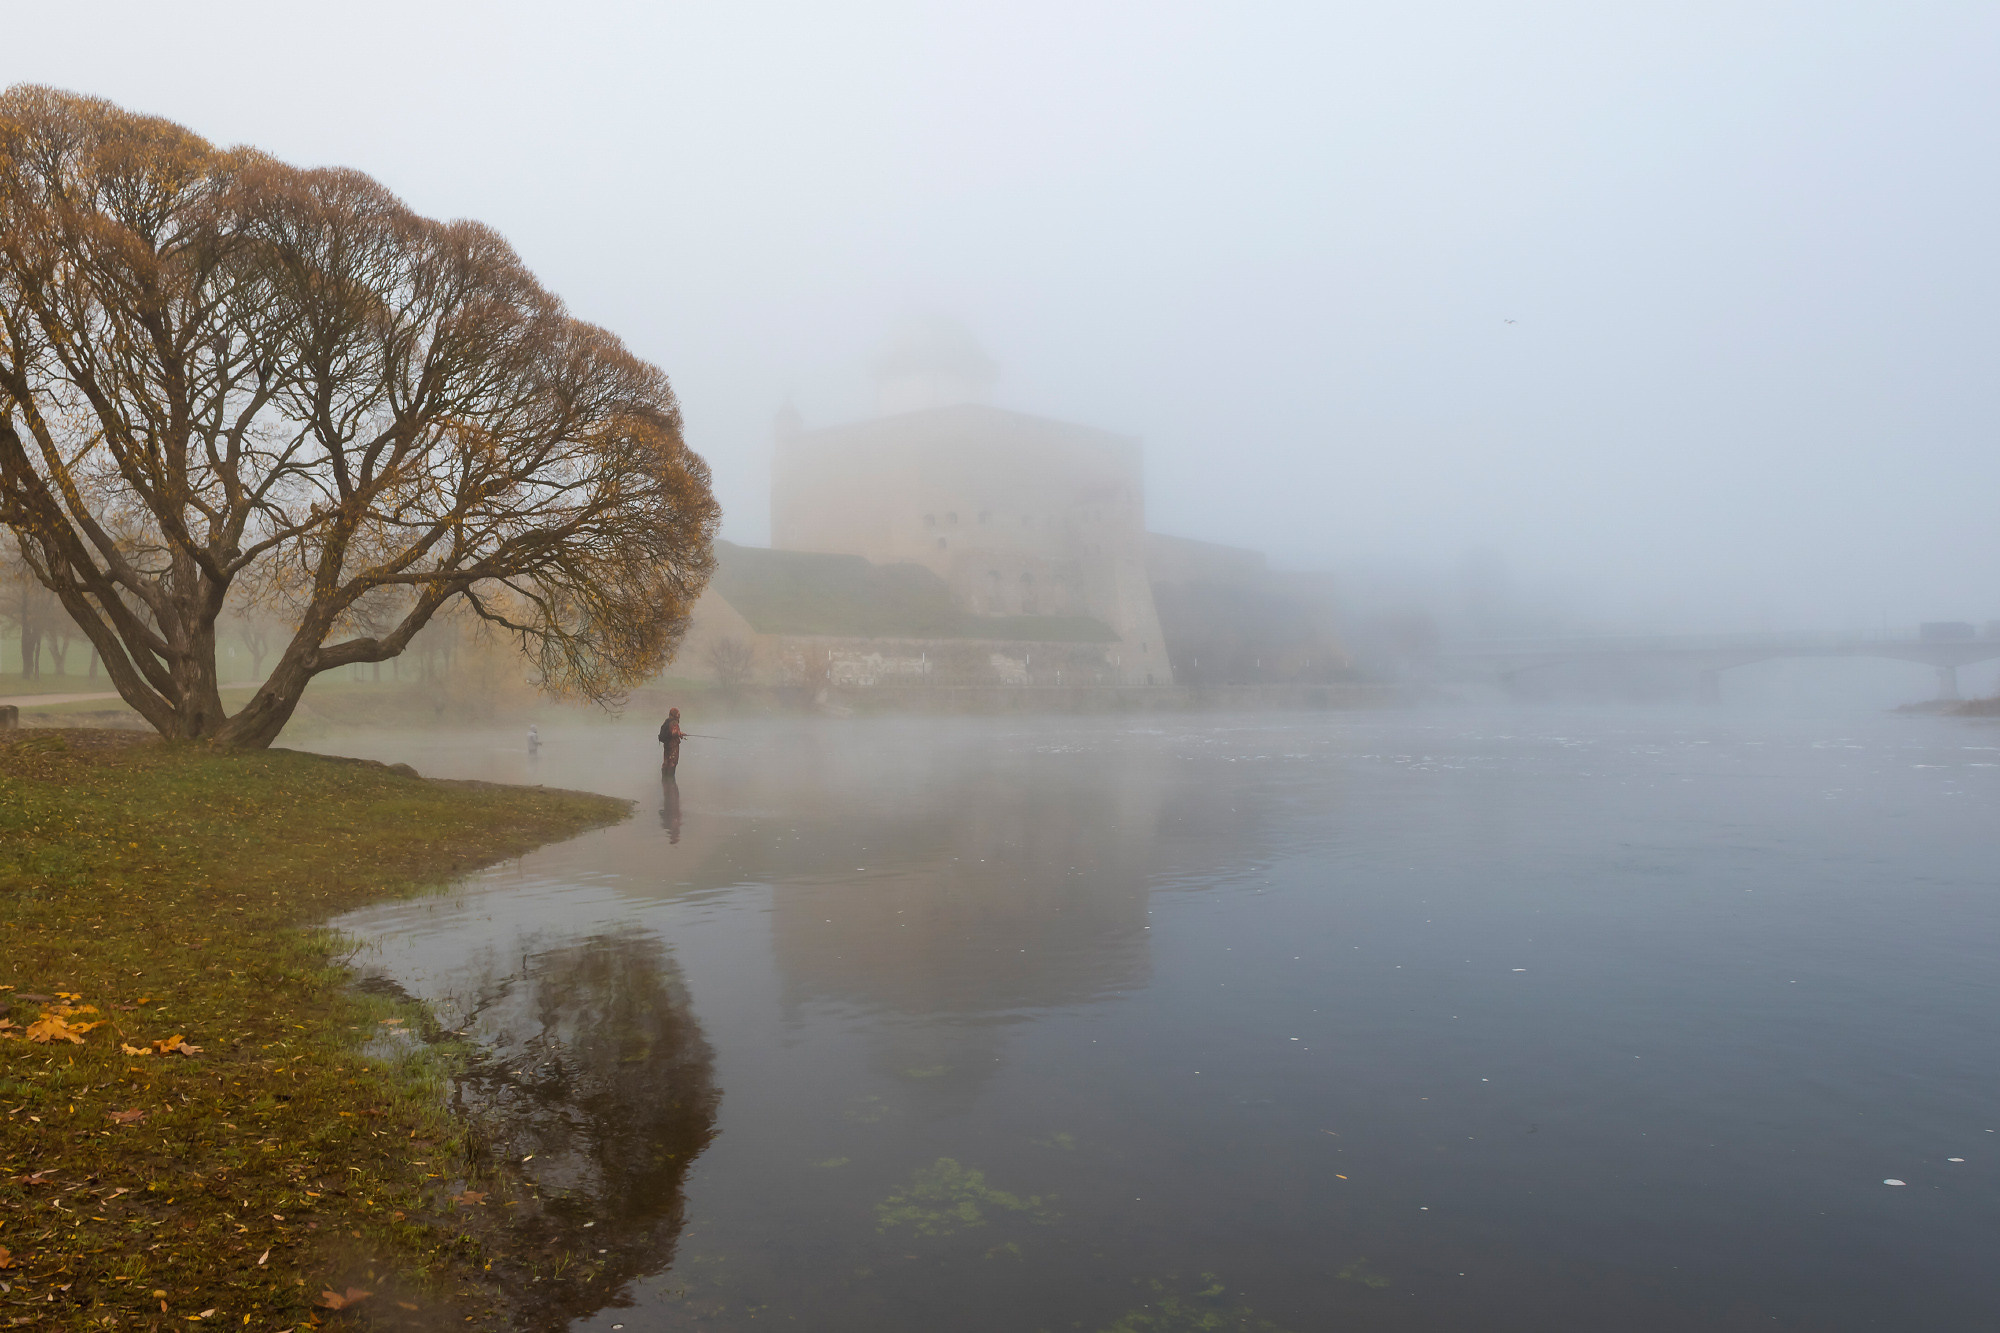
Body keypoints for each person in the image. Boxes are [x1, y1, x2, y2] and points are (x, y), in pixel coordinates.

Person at [658, 708, 684, 773]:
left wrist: (679, 733)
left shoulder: (667, 721)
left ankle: (664, 781)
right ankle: (670, 781)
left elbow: (670, 732)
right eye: (678, 714)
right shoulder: (674, 722)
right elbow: (673, 732)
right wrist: (680, 733)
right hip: (672, 746)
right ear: (674, 714)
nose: (679, 715)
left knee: (666, 762)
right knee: (672, 762)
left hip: (667, 745)